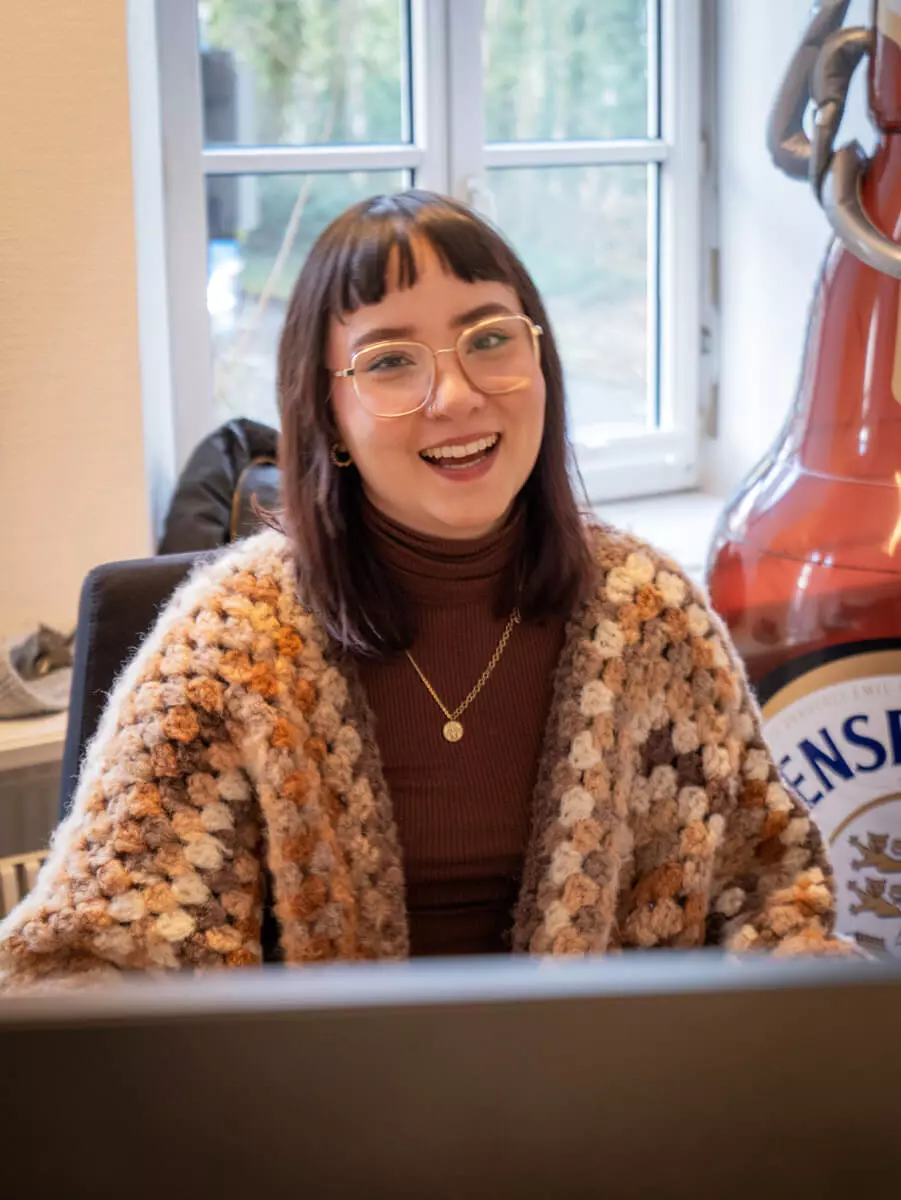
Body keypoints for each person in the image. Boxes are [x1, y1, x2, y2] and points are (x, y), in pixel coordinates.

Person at [0, 190, 850, 990]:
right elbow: (78, 965)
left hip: (609, 1117)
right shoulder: (231, 643)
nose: (455, 395)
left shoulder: (652, 616)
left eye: (489, 340)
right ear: (328, 414)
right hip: (305, 1130)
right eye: (392, 362)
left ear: (540, 365)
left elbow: (772, 900)